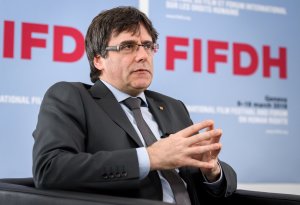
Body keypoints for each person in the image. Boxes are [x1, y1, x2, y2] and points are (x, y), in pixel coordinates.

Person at [32, 6, 237, 205]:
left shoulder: (173, 106)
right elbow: (50, 170)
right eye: (128, 46)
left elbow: (212, 185)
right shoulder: (72, 97)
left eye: (148, 46)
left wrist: (211, 170)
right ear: (98, 60)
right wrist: (150, 157)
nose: (143, 56)